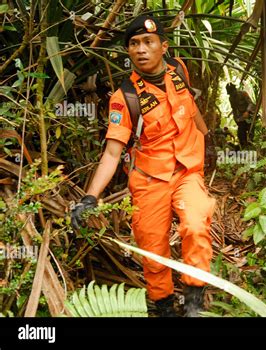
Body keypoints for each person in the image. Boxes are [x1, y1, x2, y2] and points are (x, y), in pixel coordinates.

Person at [71, 15, 217, 317]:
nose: (141, 49)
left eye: (149, 42)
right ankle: (163, 305)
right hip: (150, 178)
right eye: (134, 44)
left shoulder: (179, 70)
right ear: (129, 51)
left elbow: (190, 108)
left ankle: (193, 301)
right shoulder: (124, 98)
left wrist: (206, 138)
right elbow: (112, 154)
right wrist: (90, 198)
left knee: (195, 223)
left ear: (163, 46)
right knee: (152, 248)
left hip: (187, 169)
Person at [226, 83, 256, 148]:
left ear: (235, 90)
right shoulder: (231, 98)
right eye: (230, 93)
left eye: (232, 92)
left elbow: (251, 103)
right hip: (241, 117)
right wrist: (236, 119)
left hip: (250, 115)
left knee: (251, 132)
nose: (232, 94)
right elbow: (234, 109)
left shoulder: (243, 93)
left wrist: (247, 111)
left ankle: (251, 145)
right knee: (241, 134)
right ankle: (244, 147)